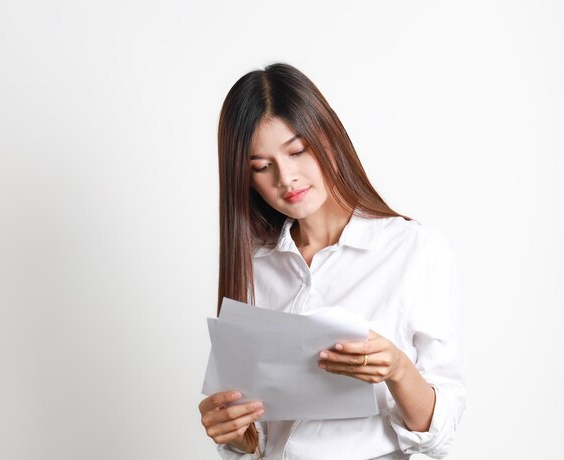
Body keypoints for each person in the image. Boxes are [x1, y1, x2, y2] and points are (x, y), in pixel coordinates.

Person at [198, 63, 465, 460]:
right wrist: (237, 437)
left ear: (328, 137)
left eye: (297, 151)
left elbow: (440, 435)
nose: (285, 178)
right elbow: (260, 439)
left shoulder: (412, 250)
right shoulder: (255, 267)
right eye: (261, 166)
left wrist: (397, 369)